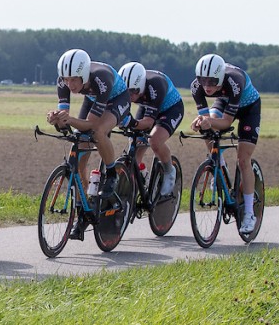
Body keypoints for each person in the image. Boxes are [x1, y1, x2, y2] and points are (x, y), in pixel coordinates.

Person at [46, 49, 130, 239]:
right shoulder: (64, 82)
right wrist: (56, 119)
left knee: (98, 132)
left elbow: (91, 124)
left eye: (74, 80)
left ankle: (111, 173)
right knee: (78, 158)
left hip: (117, 99)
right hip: (92, 99)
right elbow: (65, 121)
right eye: (66, 80)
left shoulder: (101, 78)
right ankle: (84, 212)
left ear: (83, 75)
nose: (70, 84)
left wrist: (69, 120)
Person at [190, 53, 262, 235]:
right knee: (206, 128)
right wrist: (200, 122)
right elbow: (207, 118)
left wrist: (208, 121)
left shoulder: (235, 81)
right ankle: (219, 165)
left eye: (212, 82)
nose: (206, 87)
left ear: (220, 77)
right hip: (223, 102)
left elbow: (226, 123)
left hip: (248, 108)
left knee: (243, 160)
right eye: (202, 81)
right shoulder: (196, 87)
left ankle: (249, 214)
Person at [117, 61, 185, 197]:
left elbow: (147, 123)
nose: (130, 97)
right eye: (126, 93)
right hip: (147, 105)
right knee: (135, 147)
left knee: (155, 141)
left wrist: (131, 122)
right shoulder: (130, 88)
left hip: (170, 109)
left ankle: (169, 170)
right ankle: (138, 181)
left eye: (133, 92)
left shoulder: (156, 84)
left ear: (141, 86)